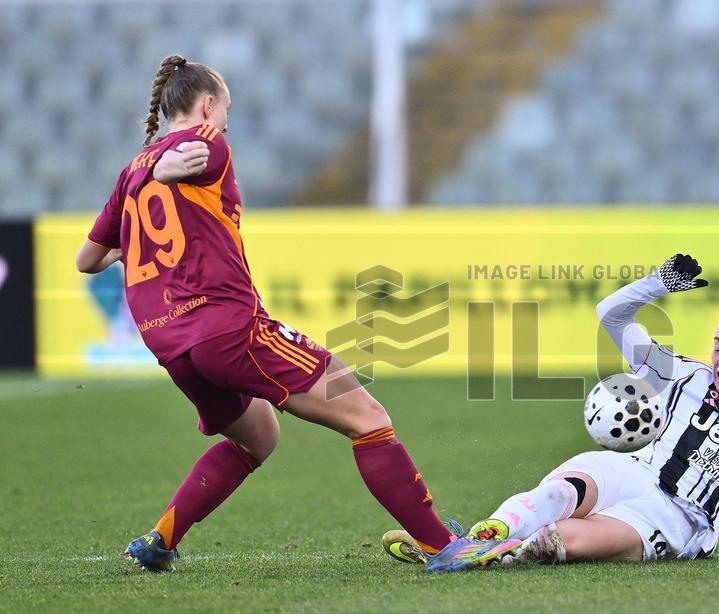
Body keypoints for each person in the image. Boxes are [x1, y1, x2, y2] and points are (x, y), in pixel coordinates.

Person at [76, 54, 456, 571]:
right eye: (226, 107)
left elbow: (87, 260)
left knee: (259, 436)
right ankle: (442, 545)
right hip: (227, 327)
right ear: (208, 104)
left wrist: (134, 231)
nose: (228, 120)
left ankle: (160, 540)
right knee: (368, 418)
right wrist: (166, 170)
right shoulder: (207, 141)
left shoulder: (129, 173)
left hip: (169, 345)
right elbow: (181, 157)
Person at [383, 254, 719, 572]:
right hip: (631, 472)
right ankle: (470, 541)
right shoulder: (682, 375)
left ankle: (485, 549)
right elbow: (611, 315)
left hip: (674, 521)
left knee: (560, 542)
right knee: (556, 495)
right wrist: (659, 284)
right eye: (718, 345)